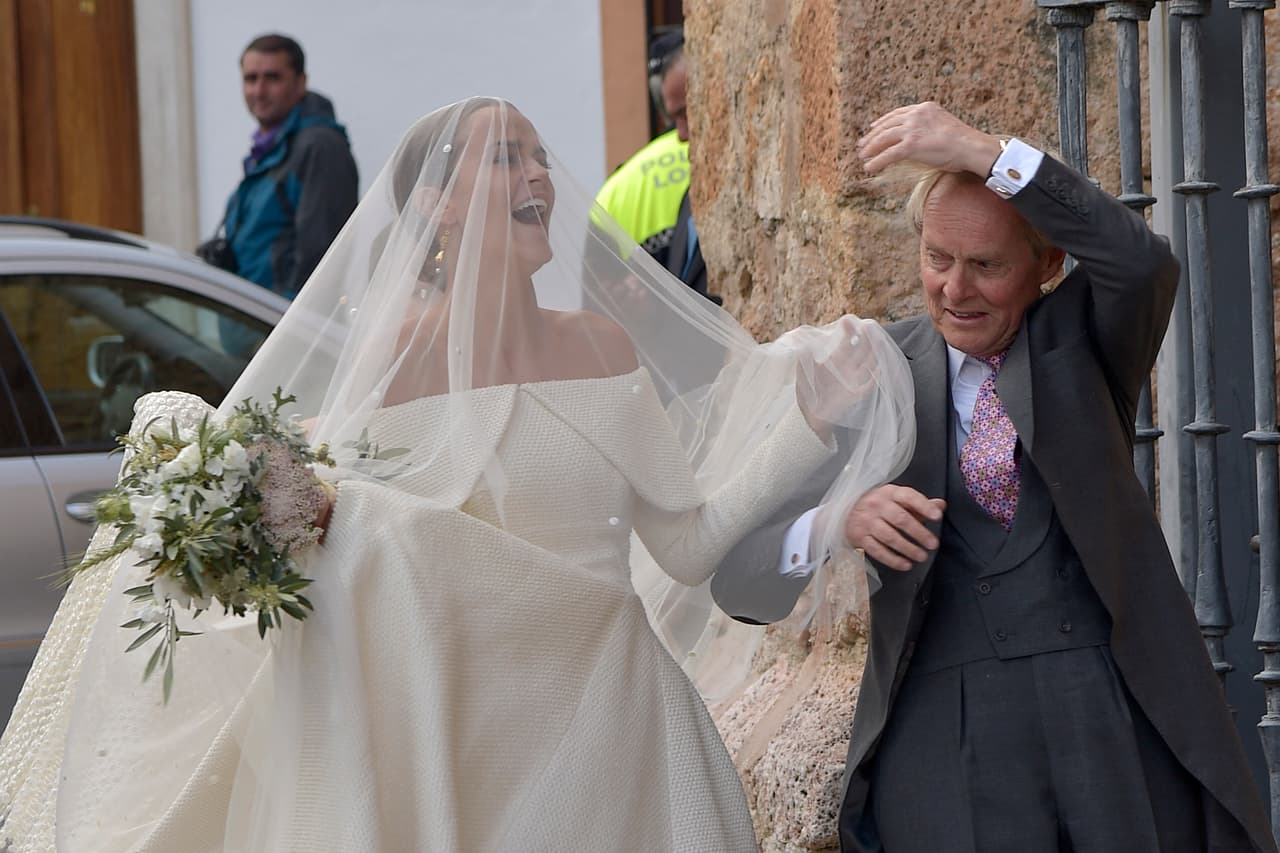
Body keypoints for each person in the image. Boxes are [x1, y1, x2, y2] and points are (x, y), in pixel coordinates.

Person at [0, 98, 914, 852]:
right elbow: (332, 549)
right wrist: (243, 496)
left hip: (623, 741)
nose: (539, 178)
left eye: (539, 156)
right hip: (464, 752)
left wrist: (807, 425)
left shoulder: (598, 345)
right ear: (437, 204)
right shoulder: (390, 363)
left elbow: (686, 545)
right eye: (506, 159)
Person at [711, 101, 1276, 853]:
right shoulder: (870, 373)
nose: (954, 288)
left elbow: (1143, 262)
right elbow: (737, 580)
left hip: (1106, 724)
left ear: (1047, 267)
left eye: (985, 265)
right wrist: (837, 521)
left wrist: (981, 150)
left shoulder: (1083, 343)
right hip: (945, 742)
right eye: (938, 258)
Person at [209, 33, 358, 300]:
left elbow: (321, 261)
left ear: (301, 83)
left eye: (273, 78)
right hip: (252, 324)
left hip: (280, 327)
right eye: (250, 79)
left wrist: (288, 329)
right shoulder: (270, 148)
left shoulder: (319, 148)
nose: (259, 91)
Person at [594, 30, 702, 292]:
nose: (682, 134)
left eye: (687, 112)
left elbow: (598, 294)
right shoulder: (689, 194)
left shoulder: (614, 189)